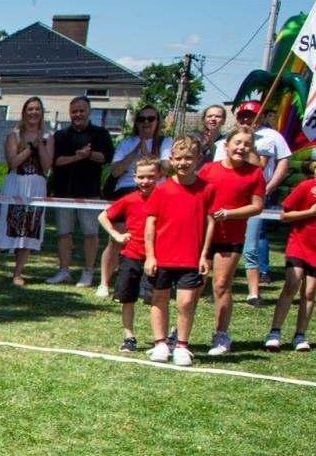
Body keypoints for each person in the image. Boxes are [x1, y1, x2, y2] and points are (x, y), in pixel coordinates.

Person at [143, 136, 213, 367]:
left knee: (185, 303)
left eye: (188, 158)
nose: (183, 163)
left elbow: (210, 222)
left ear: (198, 159)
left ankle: (182, 345)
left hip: (190, 258)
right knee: (159, 299)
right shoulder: (162, 190)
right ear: (171, 160)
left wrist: (204, 255)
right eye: (179, 158)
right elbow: (150, 223)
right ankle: (160, 343)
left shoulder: (207, 189)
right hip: (163, 257)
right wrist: (150, 255)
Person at [197, 126, 266, 355]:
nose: (241, 147)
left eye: (247, 144)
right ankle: (179, 332)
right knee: (195, 283)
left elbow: (257, 206)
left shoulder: (255, 173)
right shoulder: (209, 169)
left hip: (231, 237)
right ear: (226, 145)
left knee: (221, 284)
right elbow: (196, 197)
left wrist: (228, 214)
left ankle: (221, 335)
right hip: (203, 236)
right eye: (238, 142)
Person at [222, 100, 291, 306]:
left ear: (260, 117)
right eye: (243, 115)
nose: (247, 119)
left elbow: (268, 165)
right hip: (230, 194)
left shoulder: (271, 137)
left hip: (254, 194)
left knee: (252, 241)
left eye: (251, 116)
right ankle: (223, 286)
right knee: (226, 243)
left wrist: (270, 186)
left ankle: (255, 289)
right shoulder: (229, 138)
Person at [0, 97, 50, 286]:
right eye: (30, 109)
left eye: (37, 109)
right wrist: (30, 148)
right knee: (2, 226)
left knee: (29, 229)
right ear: (24, 112)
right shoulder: (14, 135)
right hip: (15, 183)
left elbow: (47, 165)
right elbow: (13, 162)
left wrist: (41, 144)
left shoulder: (48, 136)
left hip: (36, 186)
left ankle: (17, 273)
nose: (34, 113)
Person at [45, 96, 113, 287]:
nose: (78, 115)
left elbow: (106, 157)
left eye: (81, 111)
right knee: (63, 233)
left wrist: (89, 155)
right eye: (74, 111)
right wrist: (76, 157)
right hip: (64, 192)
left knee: (90, 233)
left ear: (89, 111)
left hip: (89, 192)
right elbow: (55, 161)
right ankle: (63, 270)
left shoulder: (101, 134)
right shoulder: (61, 135)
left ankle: (88, 272)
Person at [97, 105, 164, 298]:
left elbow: (165, 169)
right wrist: (136, 150)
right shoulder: (126, 143)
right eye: (142, 119)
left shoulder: (165, 142)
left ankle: (145, 281)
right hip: (126, 191)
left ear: (157, 121)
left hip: (156, 194)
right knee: (116, 240)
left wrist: (147, 151)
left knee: (151, 238)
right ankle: (104, 283)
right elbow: (115, 171)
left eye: (150, 118)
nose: (146, 122)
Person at [98, 156, 160, 352]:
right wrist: (116, 235)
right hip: (131, 254)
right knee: (127, 298)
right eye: (141, 177)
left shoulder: (164, 198)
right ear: (134, 178)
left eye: (150, 176)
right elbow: (103, 216)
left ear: (159, 176)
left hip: (155, 257)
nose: (145, 181)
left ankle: (160, 339)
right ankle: (129, 337)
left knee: (156, 299)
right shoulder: (129, 199)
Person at [268, 153, 316, 352]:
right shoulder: (304, 187)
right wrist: (311, 212)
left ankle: (300, 335)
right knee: (292, 284)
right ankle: (274, 332)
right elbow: (285, 215)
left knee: (309, 292)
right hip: (298, 244)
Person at [196, 104, 226, 170]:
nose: (213, 119)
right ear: (203, 120)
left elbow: (223, 162)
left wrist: (211, 144)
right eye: (209, 116)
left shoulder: (226, 140)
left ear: (223, 121)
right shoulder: (194, 137)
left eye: (218, 116)